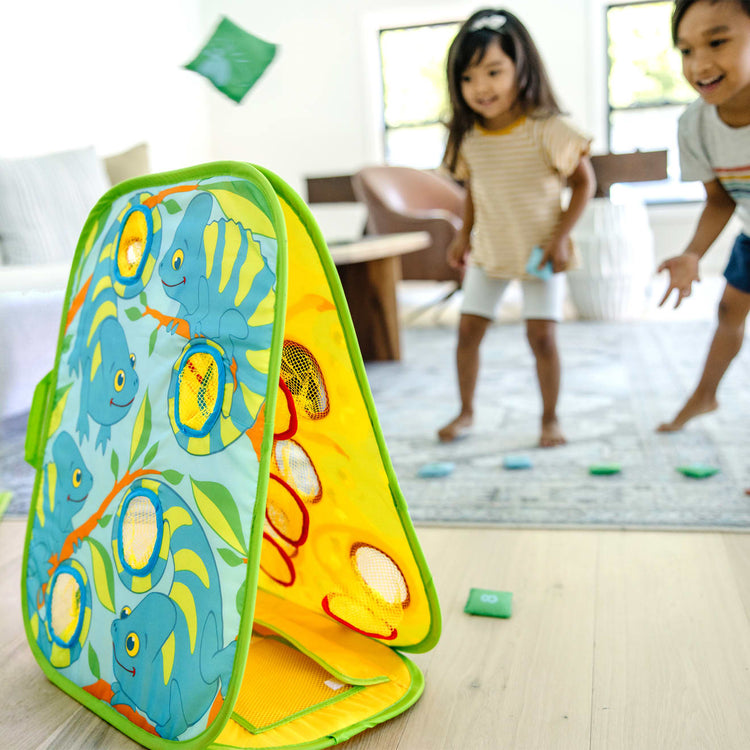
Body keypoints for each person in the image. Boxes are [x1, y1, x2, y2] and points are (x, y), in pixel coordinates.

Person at [437, 8, 595, 447]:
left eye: (493, 71)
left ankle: (550, 419)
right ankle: (465, 412)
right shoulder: (467, 137)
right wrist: (462, 234)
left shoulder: (549, 129)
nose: (481, 87)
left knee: (541, 336)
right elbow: (472, 188)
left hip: (539, 251)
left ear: (519, 67)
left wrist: (561, 238)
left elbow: (584, 183)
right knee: (468, 331)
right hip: (489, 250)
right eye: (468, 78)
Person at [657, 0, 750, 431]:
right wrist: (692, 253)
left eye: (717, 41)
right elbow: (720, 199)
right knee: (730, 310)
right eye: (686, 50)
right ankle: (704, 395)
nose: (700, 64)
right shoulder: (694, 124)